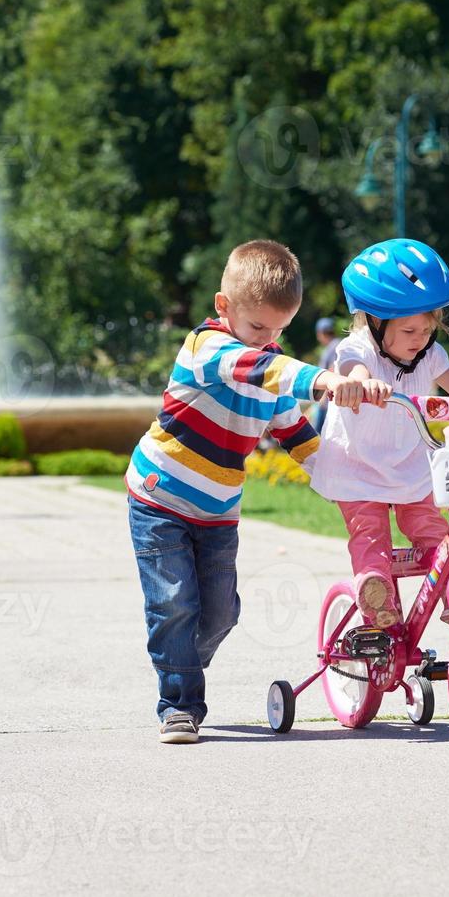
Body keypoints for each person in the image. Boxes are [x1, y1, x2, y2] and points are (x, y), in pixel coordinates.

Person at [125, 240, 381, 745]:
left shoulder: (269, 360)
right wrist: (328, 380)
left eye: (280, 330)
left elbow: (295, 432)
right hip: (161, 499)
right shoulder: (208, 349)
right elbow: (266, 371)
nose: (269, 340)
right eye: (259, 327)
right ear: (224, 308)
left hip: (218, 510)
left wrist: (341, 480)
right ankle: (179, 704)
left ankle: (175, 660)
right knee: (176, 602)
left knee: (221, 613)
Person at [310, 239, 449, 628]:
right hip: (357, 466)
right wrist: (362, 385)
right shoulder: (357, 348)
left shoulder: (429, 355)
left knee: (432, 530)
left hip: (409, 464)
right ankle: (375, 592)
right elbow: (353, 370)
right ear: (374, 323)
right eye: (409, 329)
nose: (420, 339)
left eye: (428, 329)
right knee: (370, 535)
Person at [311, 316, 340, 431]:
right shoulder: (333, 345)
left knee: (319, 431)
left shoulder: (334, 346)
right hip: (327, 397)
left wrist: (322, 396)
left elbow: (333, 370)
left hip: (328, 397)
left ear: (321, 333)